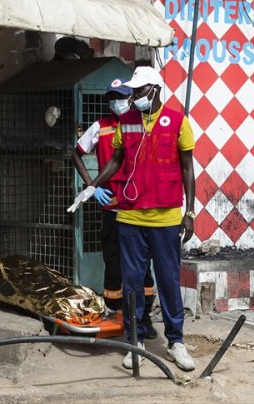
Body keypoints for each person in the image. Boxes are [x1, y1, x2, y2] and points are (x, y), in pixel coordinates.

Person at [69, 66, 197, 372]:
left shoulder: (178, 122)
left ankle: (175, 342)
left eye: (139, 92)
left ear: (154, 90)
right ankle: (135, 342)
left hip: (165, 217)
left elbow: (187, 168)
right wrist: (92, 186)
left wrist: (189, 212)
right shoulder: (124, 123)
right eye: (133, 92)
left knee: (168, 282)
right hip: (130, 214)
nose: (133, 97)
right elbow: (115, 161)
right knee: (131, 283)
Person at [70, 80, 158, 339]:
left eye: (120, 97)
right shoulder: (100, 126)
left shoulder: (140, 123)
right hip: (110, 203)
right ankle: (112, 311)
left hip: (138, 204)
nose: (116, 102)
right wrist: (91, 186)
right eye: (112, 97)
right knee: (113, 260)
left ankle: (144, 318)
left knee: (143, 263)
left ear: (130, 98)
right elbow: (76, 153)